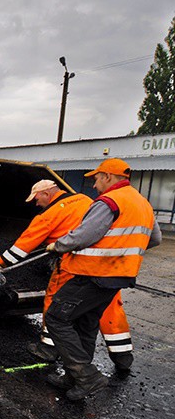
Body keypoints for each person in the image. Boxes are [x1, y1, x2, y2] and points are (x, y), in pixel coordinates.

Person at [45, 159, 161, 400]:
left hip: (94, 274)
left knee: (57, 318)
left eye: (97, 179)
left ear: (108, 176)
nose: (95, 185)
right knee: (85, 324)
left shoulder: (109, 201)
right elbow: (155, 238)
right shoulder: (143, 204)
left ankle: (87, 376)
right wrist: (123, 249)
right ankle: (74, 376)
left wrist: (58, 245)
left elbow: (84, 235)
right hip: (118, 276)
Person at [0, 179, 134, 370]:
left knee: (55, 300)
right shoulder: (84, 199)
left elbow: (22, 247)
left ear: (47, 194)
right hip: (104, 264)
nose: (35, 203)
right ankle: (122, 356)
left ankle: (49, 348)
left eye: (36, 198)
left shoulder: (49, 214)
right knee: (108, 305)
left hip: (73, 263)